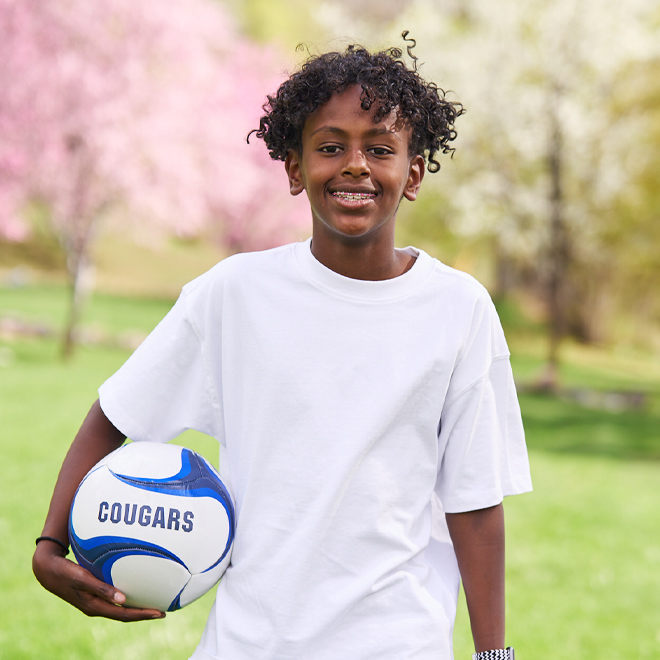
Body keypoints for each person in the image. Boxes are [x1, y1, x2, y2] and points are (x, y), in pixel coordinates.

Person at [33, 37, 532, 660]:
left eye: (380, 148)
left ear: (414, 173)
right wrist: (49, 547)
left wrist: (494, 654)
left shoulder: (460, 310)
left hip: (398, 641)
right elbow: (117, 413)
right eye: (330, 147)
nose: (355, 165)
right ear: (295, 169)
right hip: (249, 643)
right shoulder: (233, 293)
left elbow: (475, 500)